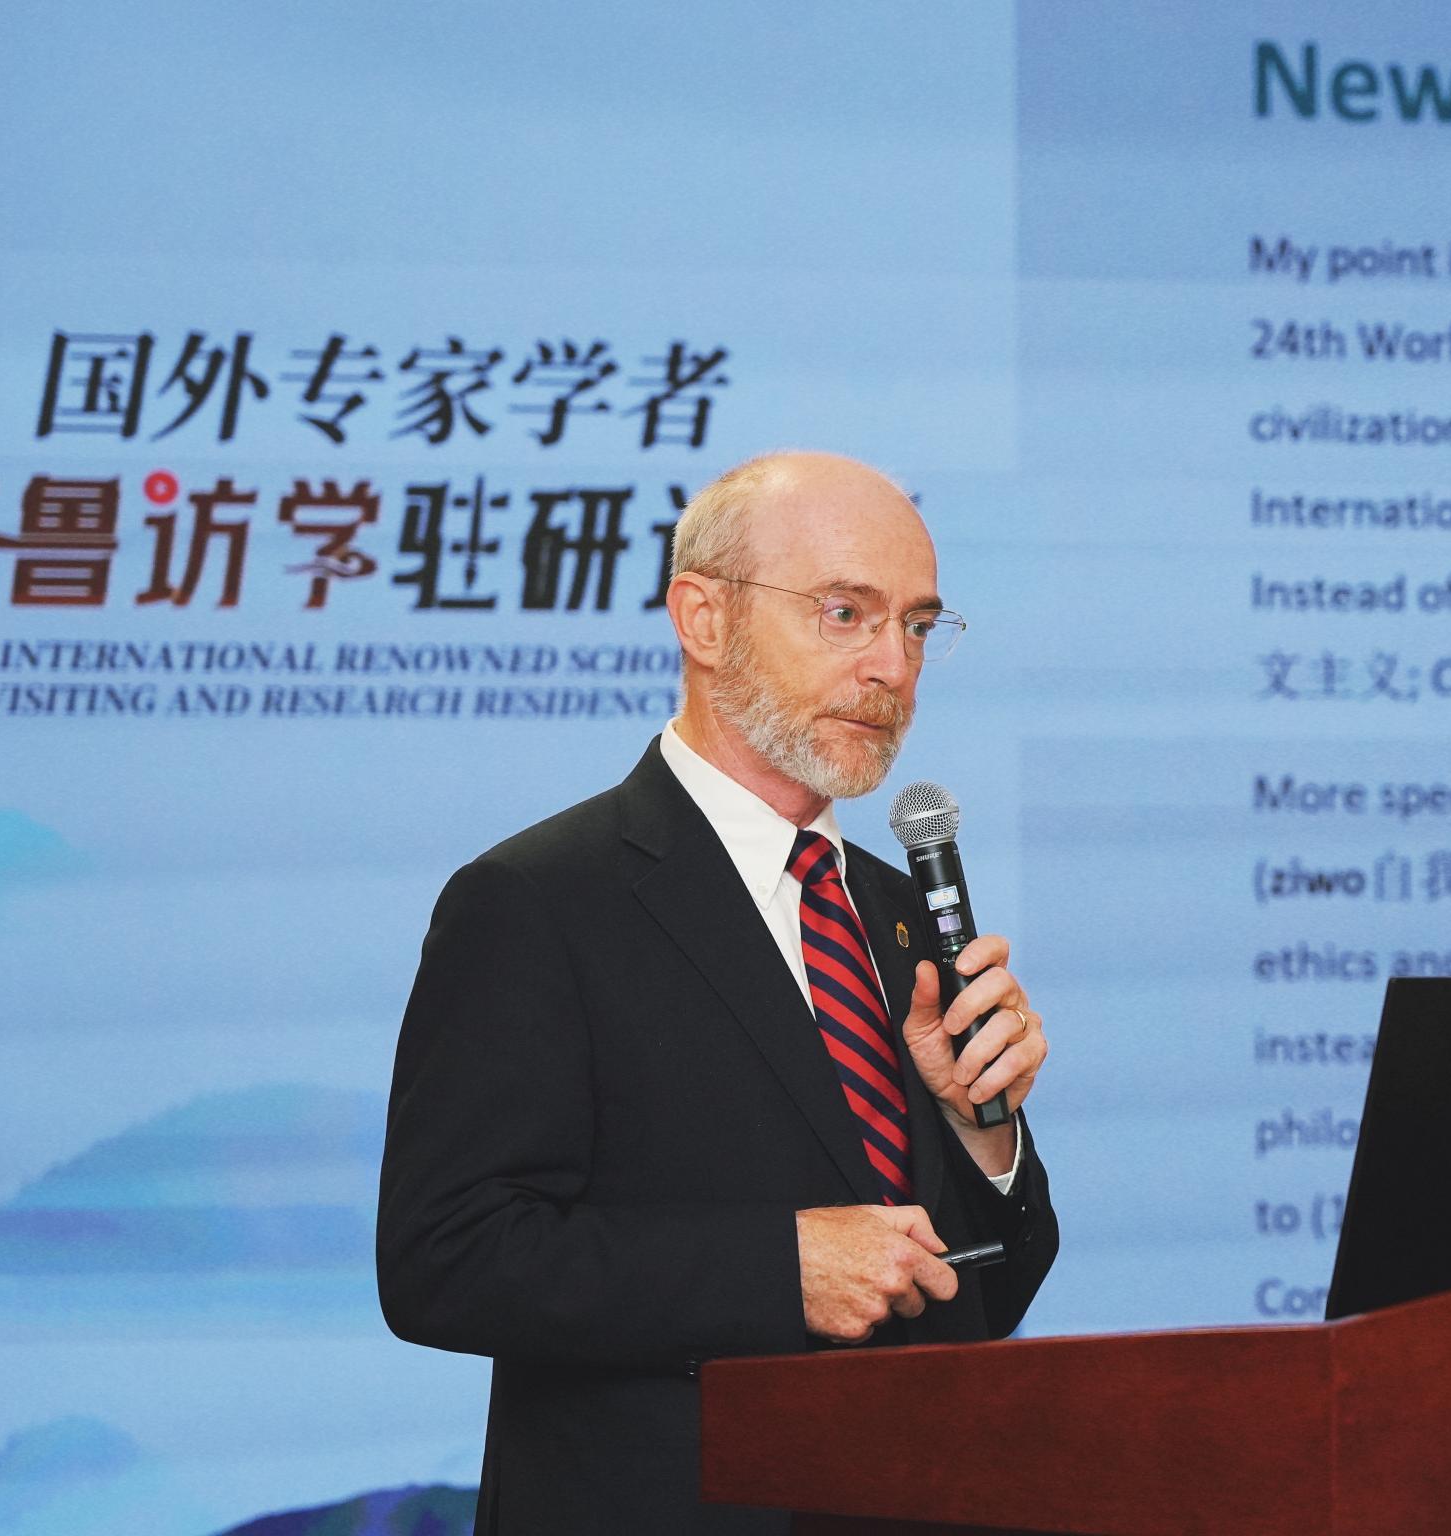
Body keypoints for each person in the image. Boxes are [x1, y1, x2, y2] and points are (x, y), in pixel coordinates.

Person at [376, 451, 1058, 1534]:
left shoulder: (899, 914)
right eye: (845, 613)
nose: (893, 667)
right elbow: (444, 1260)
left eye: (919, 627)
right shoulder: (540, 901)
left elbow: (987, 1296)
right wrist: (778, 1269)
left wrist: (985, 1137)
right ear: (703, 619)